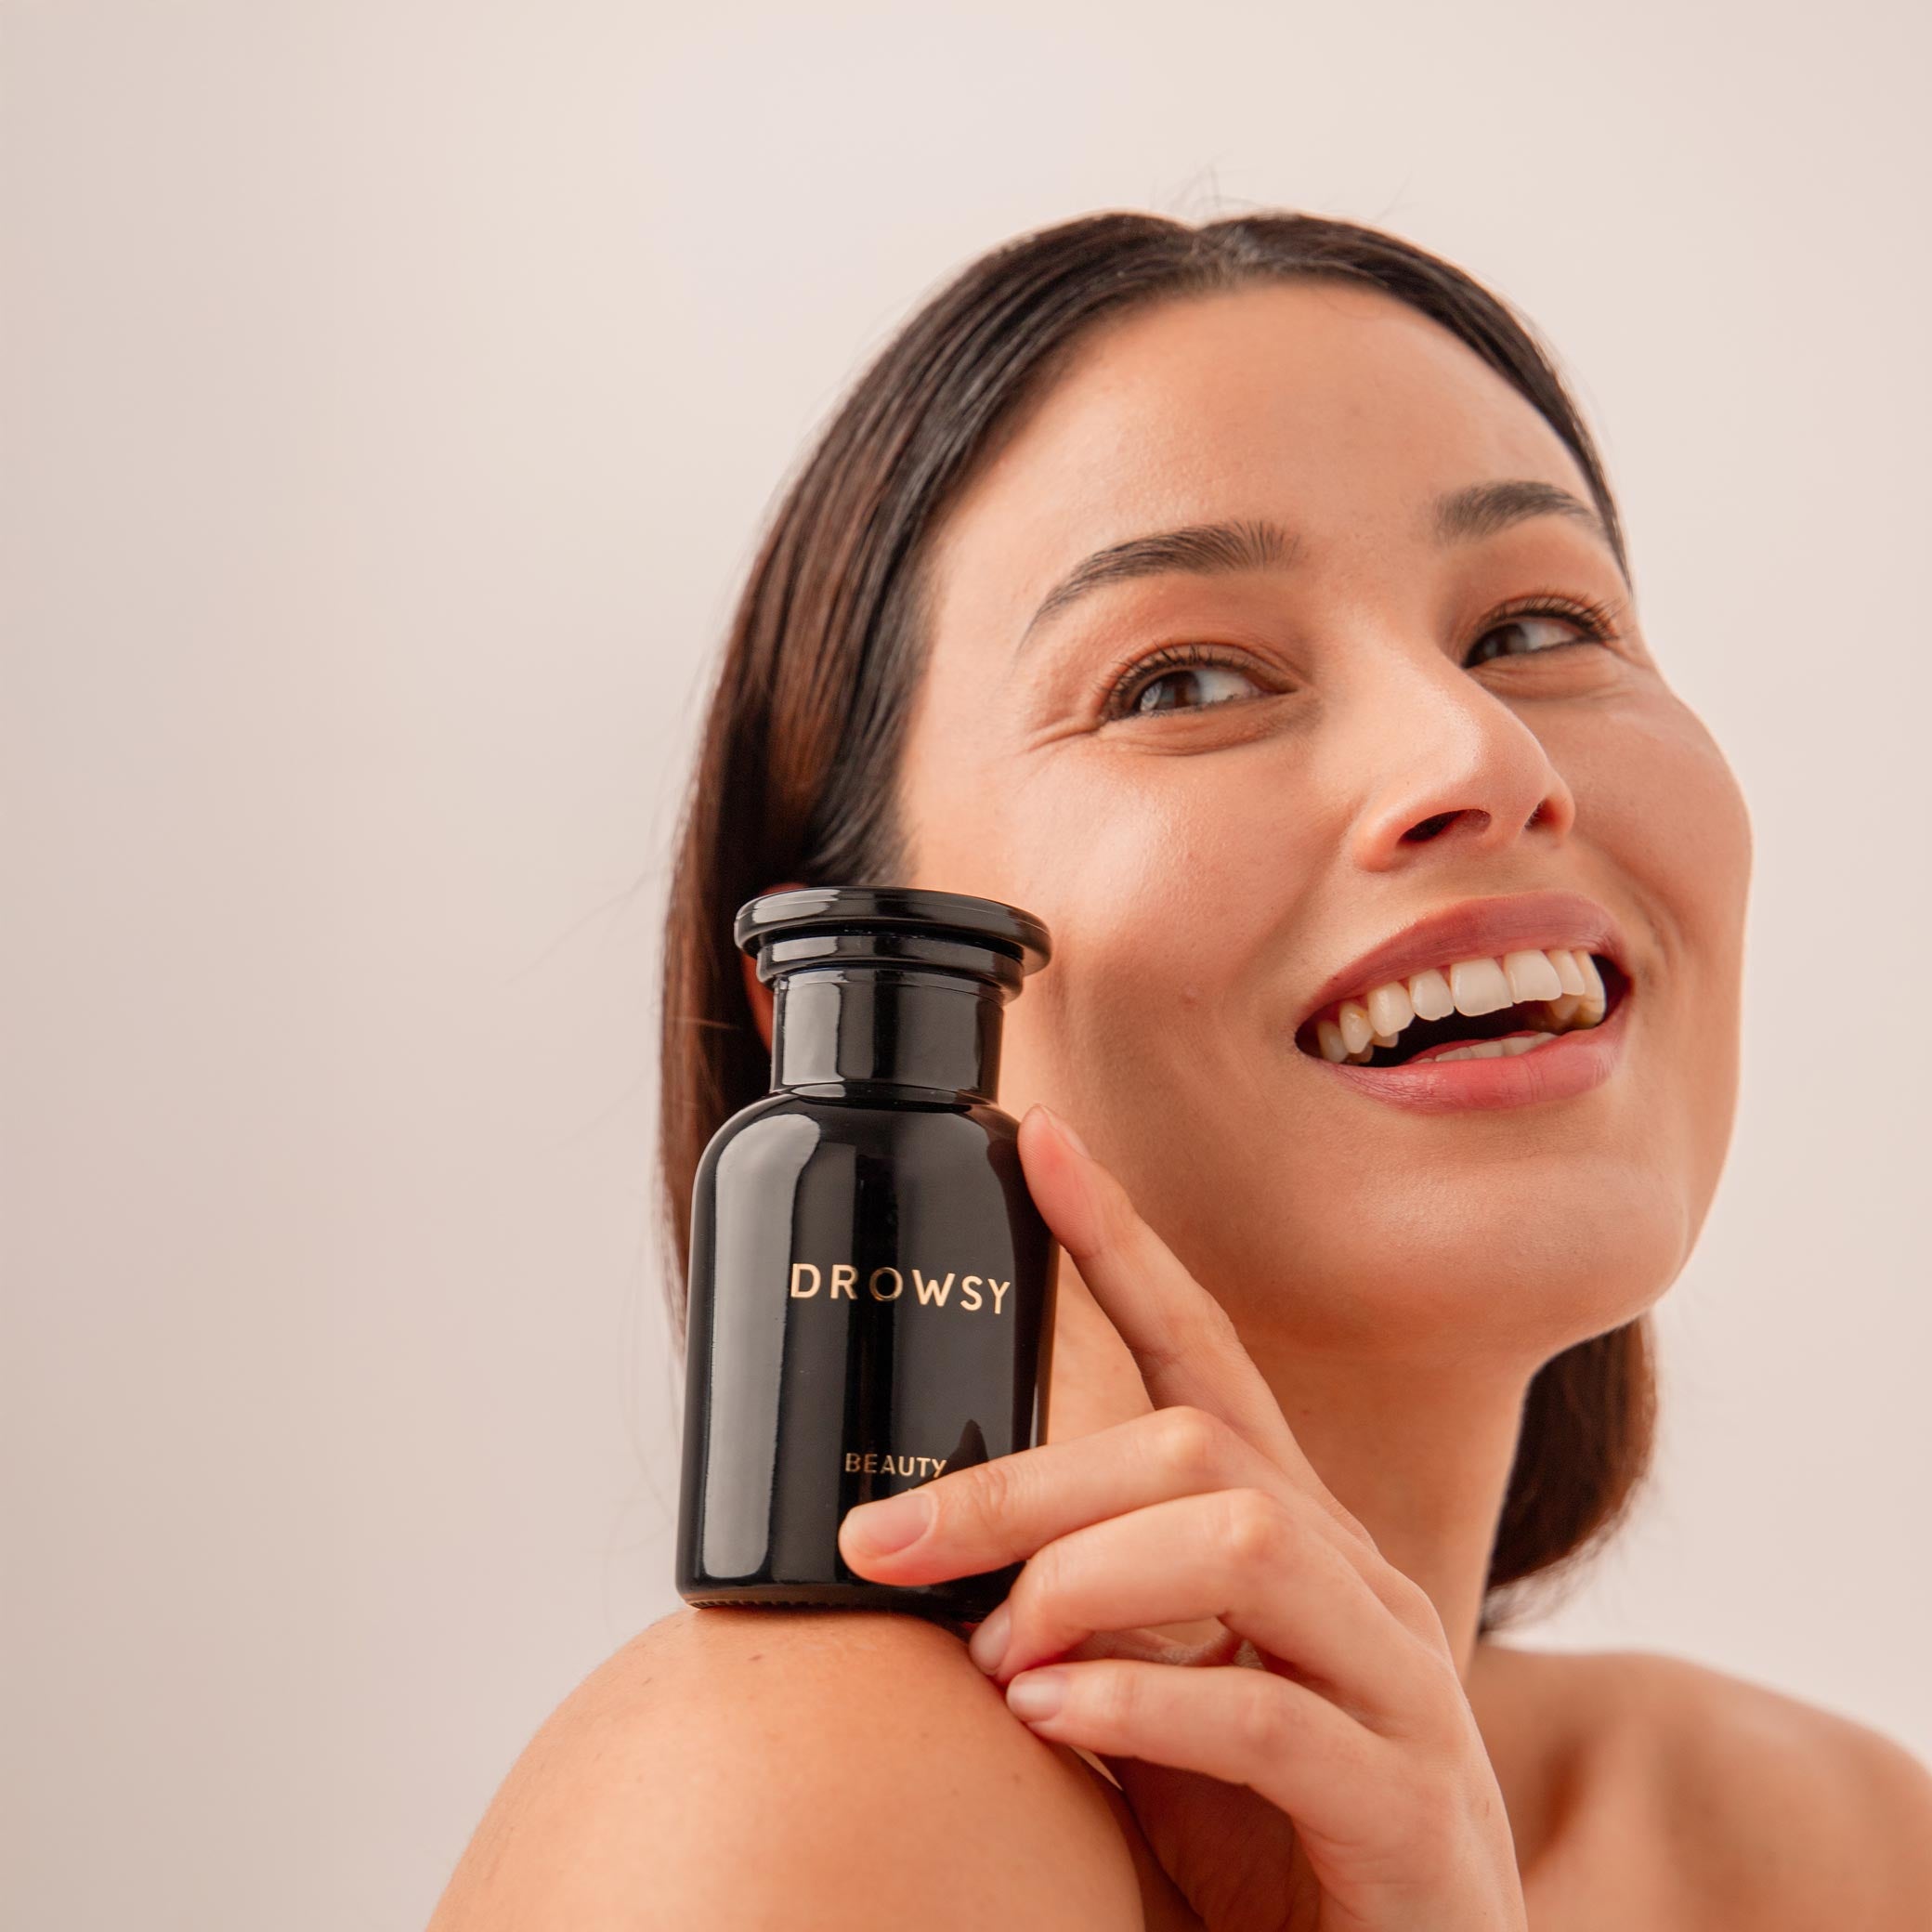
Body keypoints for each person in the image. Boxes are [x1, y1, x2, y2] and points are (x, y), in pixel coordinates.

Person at [426, 211, 1932, 1929]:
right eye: (1185, 677)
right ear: (853, 1007)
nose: (1481, 752)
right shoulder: (809, 1794)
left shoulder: (1815, 1848)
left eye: (1534, 626)